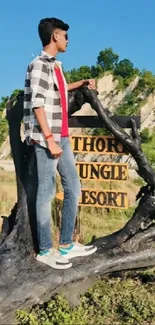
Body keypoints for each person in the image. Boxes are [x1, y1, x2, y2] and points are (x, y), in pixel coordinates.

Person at [23, 17, 97, 270]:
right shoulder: (39, 65)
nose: (67, 40)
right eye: (65, 35)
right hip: (48, 138)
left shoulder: (56, 67)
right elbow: (38, 104)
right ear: (55, 36)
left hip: (61, 136)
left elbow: (58, 92)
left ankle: (66, 243)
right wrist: (50, 140)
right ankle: (45, 250)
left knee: (73, 187)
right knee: (46, 193)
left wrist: (82, 83)